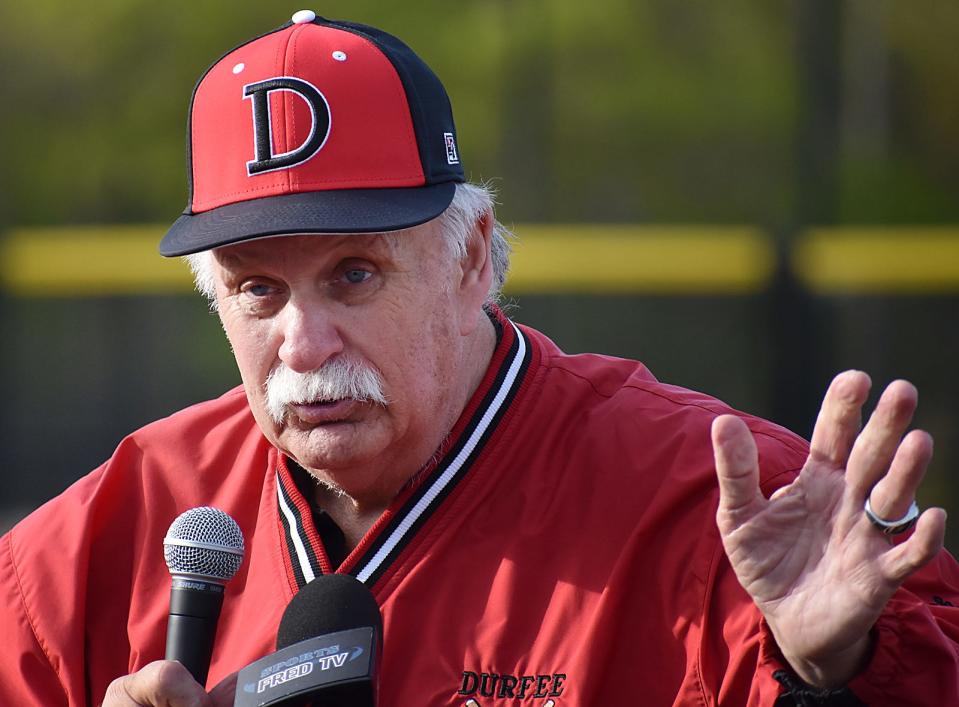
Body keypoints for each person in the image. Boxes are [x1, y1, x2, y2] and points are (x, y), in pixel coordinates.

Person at [2, 11, 957, 706]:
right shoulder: (106, 536)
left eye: (353, 273)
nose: (301, 344)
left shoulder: (729, 506)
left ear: (470, 256)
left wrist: (841, 671)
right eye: (258, 289)